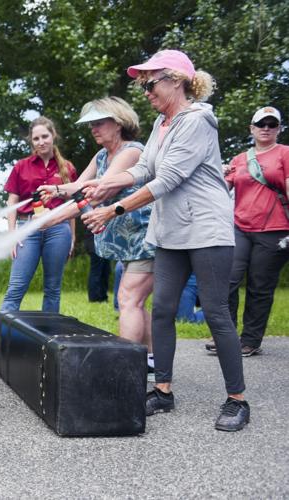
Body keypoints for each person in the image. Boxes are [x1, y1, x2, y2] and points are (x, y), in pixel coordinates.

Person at [80, 50, 250, 431]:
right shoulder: (162, 122)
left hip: (205, 231)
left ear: (176, 80)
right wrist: (103, 184)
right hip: (171, 232)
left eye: (150, 82)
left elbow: (167, 179)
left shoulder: (197, 121)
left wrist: (113, 210)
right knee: (162, 311)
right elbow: (143, 168)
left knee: (217, 313)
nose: (145, 90)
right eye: (142, 83)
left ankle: (237, 400)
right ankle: (163, 390)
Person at [38, 97, 156, 373]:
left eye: (99, 123)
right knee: (135, 302)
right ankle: (152, 359)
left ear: (118, 123)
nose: (93, 129)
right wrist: (54, 190)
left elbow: (101, 190)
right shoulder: (102, 155)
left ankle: (123, 369)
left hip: (144, 240)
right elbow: (79, 186)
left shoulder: (131, 152)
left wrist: (45, 222)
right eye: (91, 124)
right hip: (126, 245)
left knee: (128, 300)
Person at [0, 116, 77, 360]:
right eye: (36, 138)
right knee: (15, 289)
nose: (41, 142)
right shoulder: (21, 166)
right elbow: (12, 203)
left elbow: (73, 203)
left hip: (58, 231)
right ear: (31, 140)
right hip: (27, 231)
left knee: (53, 289)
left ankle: (49, 345)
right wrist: (12, 235)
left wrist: (72, 236)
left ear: (53, 137)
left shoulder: (67, 168)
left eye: (45, 136)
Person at [205, 106, 289, 356]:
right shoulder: (240, 159)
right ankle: (226, 335)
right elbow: (219, 190)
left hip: (275, 229)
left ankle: (250, 340)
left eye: (271, 124)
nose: (266, 129)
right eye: (261, 124)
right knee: (227, 280)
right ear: (251, 128)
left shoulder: (285, 153)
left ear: (279, 129)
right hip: (240, 227)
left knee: (259, 285)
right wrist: (219, 174)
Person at [84, 230, 111, 302]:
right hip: (95, 244)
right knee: (96, 271)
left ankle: (103, 296)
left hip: (104, 244)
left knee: (105, 270)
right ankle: (94, 298)